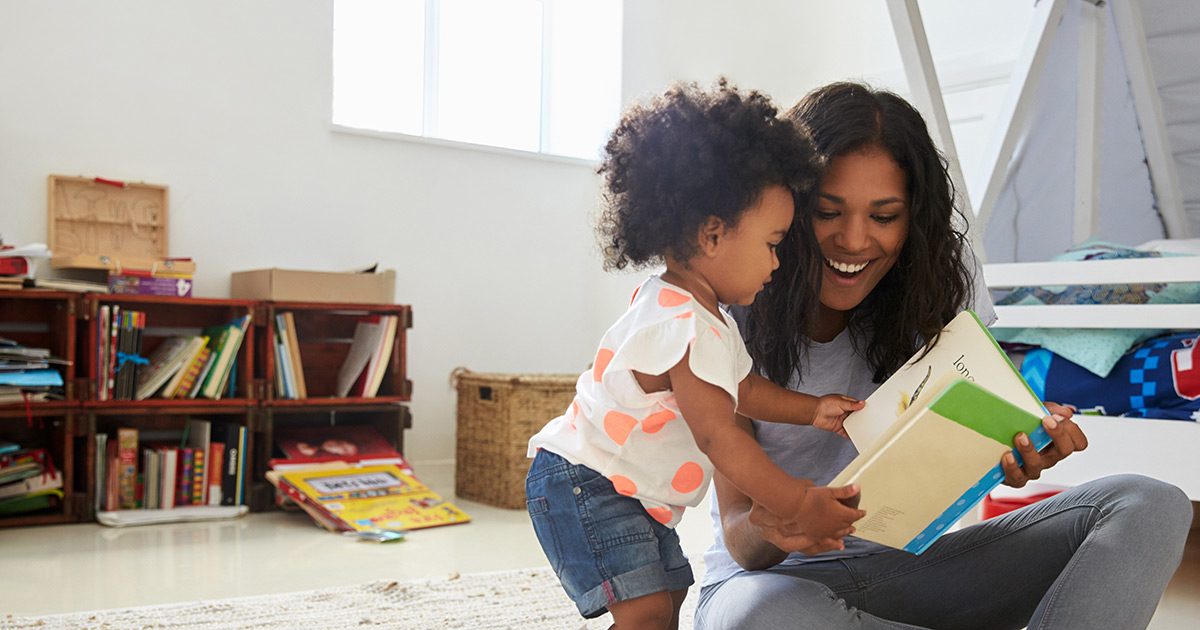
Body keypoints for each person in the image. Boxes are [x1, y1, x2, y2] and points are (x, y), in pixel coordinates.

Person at [694, 81, 1194, 630]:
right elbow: (739, 537)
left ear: (914, 221)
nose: (855, 240)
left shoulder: (938, 283)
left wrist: (1011, 448)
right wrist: (778, 520)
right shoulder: (728, 305)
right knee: (757, 619)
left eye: (884, 216)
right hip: (769, 585)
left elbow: (945, 470)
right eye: (827, 212)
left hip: (914, 572)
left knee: (1151, 505)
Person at [525, 79, 869, 630]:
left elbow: (745, 393)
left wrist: (813, 409)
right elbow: (719, 435)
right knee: (644, 615)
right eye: (773, 244)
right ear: (713, 235)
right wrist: (795, 502)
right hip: (587, 481)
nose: (778, 264)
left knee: (669, 598)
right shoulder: (683, 322)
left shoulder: (702, 316)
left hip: (629, 489)